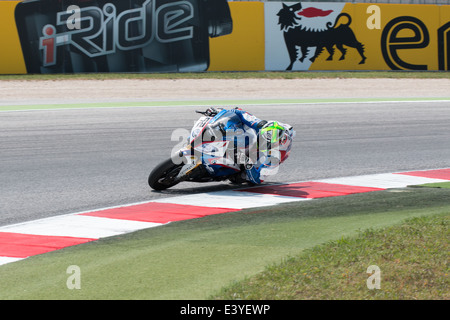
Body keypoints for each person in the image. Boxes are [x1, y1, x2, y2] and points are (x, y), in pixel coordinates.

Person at [205, 107, 295, 184]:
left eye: (266, 143)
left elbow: (257, 179)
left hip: (264, 157)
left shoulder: (275, 158)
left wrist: (247, 162)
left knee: (243, 177)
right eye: (262, 139)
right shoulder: (261, 126)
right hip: (272, 132)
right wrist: (219, 113)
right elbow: (238, 111)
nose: (262, 142)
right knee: (240, 126)